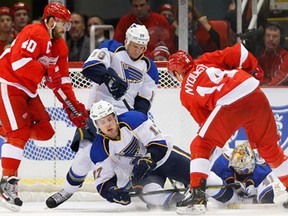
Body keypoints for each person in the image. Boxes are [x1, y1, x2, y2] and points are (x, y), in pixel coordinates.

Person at [45, 23, 159, 208]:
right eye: (134, 45)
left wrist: (135, 120)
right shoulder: (112, 47)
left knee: (125, 157)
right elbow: (90, 67)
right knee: (85, 154)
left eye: (141, 47)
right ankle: (66, 190)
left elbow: (144, 102)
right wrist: (110, 77)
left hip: (123, 117)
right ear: (127, 40)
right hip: (98, 112)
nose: (137, 50)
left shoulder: (149, 68)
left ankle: (126, 187)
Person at [167, 43, 288, 214]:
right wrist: (254, 67)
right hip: (253, 90)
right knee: (270, 149)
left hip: (232, 100)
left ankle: (197, 198)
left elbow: (205, 123)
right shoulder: (205, 60)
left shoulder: (185, 92)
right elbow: (240, 51)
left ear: (177, 73)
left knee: (200, 145)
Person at [0, 2, 88, 212]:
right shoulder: (34, 32)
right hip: (8, 82)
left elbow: (62, 82)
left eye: (67, 26)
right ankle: (6, 185)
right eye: (62, 24)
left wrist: (73, 108)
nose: (64, 30)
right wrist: (46, 71)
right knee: (19, 133)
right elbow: (18, 64)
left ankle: (7, 129)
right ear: (49, 20)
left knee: (45, 131)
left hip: (28, 90)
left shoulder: (60, 47)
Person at [47, 100, 190, 209]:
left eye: (109, 119)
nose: (108, 125)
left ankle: (199, 189)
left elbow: (158, 142)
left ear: (115, 117)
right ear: (97, 126)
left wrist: (148, 159)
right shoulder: (98, 150)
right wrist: (113, 193)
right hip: (141, 174)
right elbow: (103, 183)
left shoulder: (134, 119)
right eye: (102, 122)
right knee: (154, 197)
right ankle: (185, 202)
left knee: (204, 177)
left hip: (164, 159)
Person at [207, 142, 285, 205]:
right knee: (209, 180)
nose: (239, 172)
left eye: (242, 170)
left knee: (267, 195)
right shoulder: (223, 162)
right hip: (235, 197)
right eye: (236, 168)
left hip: (254, 195)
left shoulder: (263, 169)